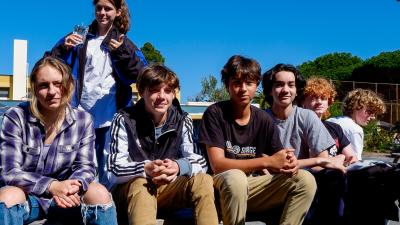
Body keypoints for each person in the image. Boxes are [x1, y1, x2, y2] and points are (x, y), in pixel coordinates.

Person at [199, 55, 316, 225]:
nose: (243, 89)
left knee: (305, 180)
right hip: (222, 186)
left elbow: (279, 158)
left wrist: (289, 163)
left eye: (249, 83)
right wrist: (267, 162)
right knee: (236, 178)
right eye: (237, 83)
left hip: (254, 187)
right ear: (227, 86)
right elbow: (218, 165)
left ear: (256, 86)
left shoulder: (263, 119)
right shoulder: (215, 113)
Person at [0, 56, 117, 225]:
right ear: (34, 88)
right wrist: (52, 186)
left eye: (58, 83)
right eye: (43, 85)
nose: (52, 91)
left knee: (98, 192)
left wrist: (71, 189)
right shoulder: (16, 117)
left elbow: (86, 166)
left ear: (69, 85)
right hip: (30, 199)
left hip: (71, 198)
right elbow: (9, 172)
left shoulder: (83, 120)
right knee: (7, 195)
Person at [105, 64, 218, 225]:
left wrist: (178, 166)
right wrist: (146, 168)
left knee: (203, 180)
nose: (161, 97)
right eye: (154, 90)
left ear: (174, 94)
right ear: (142, 91)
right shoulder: (123, 119)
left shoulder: (182, 119)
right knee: (141, 183)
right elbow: (113, 169)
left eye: (167, 91)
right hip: (132, 191)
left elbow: (199, 161)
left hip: (168, 189)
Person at [49, 0, 147, 182]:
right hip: (80, 113)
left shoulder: (124, 42)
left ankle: (108, 206)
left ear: (118, 12)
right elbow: (49, 65)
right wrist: (64, 47)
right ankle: (80, 205)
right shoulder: (79, 37)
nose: (102, 12)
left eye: (108, 9)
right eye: (99, 8)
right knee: (81, 165)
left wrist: (122, 53)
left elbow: (143, 74)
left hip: (112, 115)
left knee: (109, 166)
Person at [262, 65, 349, 225]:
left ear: (296, 90)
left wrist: (302, 164)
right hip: (271, 181)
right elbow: (265, 163)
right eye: (279, 84)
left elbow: (322, 160)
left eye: (291, 84)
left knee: (335, 176)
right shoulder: (261, 119)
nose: (285, 90)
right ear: (270, 90)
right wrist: (316, 161)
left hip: (304, 177)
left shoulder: (307, 116)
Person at [300, 77, 357, 164]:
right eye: (314, 98)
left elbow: (352, 157)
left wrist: (347, 161)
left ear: (328, 102)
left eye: (323, 98)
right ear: (303, 102)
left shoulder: (335, 128)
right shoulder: (298, 127)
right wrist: (339, 158)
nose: (319, 102)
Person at [327, 88, 386, 160]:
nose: (373, 117)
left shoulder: (331, 120)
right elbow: (355, 162)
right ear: (356, 107)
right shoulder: (355, 130)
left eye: (374, 113)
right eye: (369, 112)